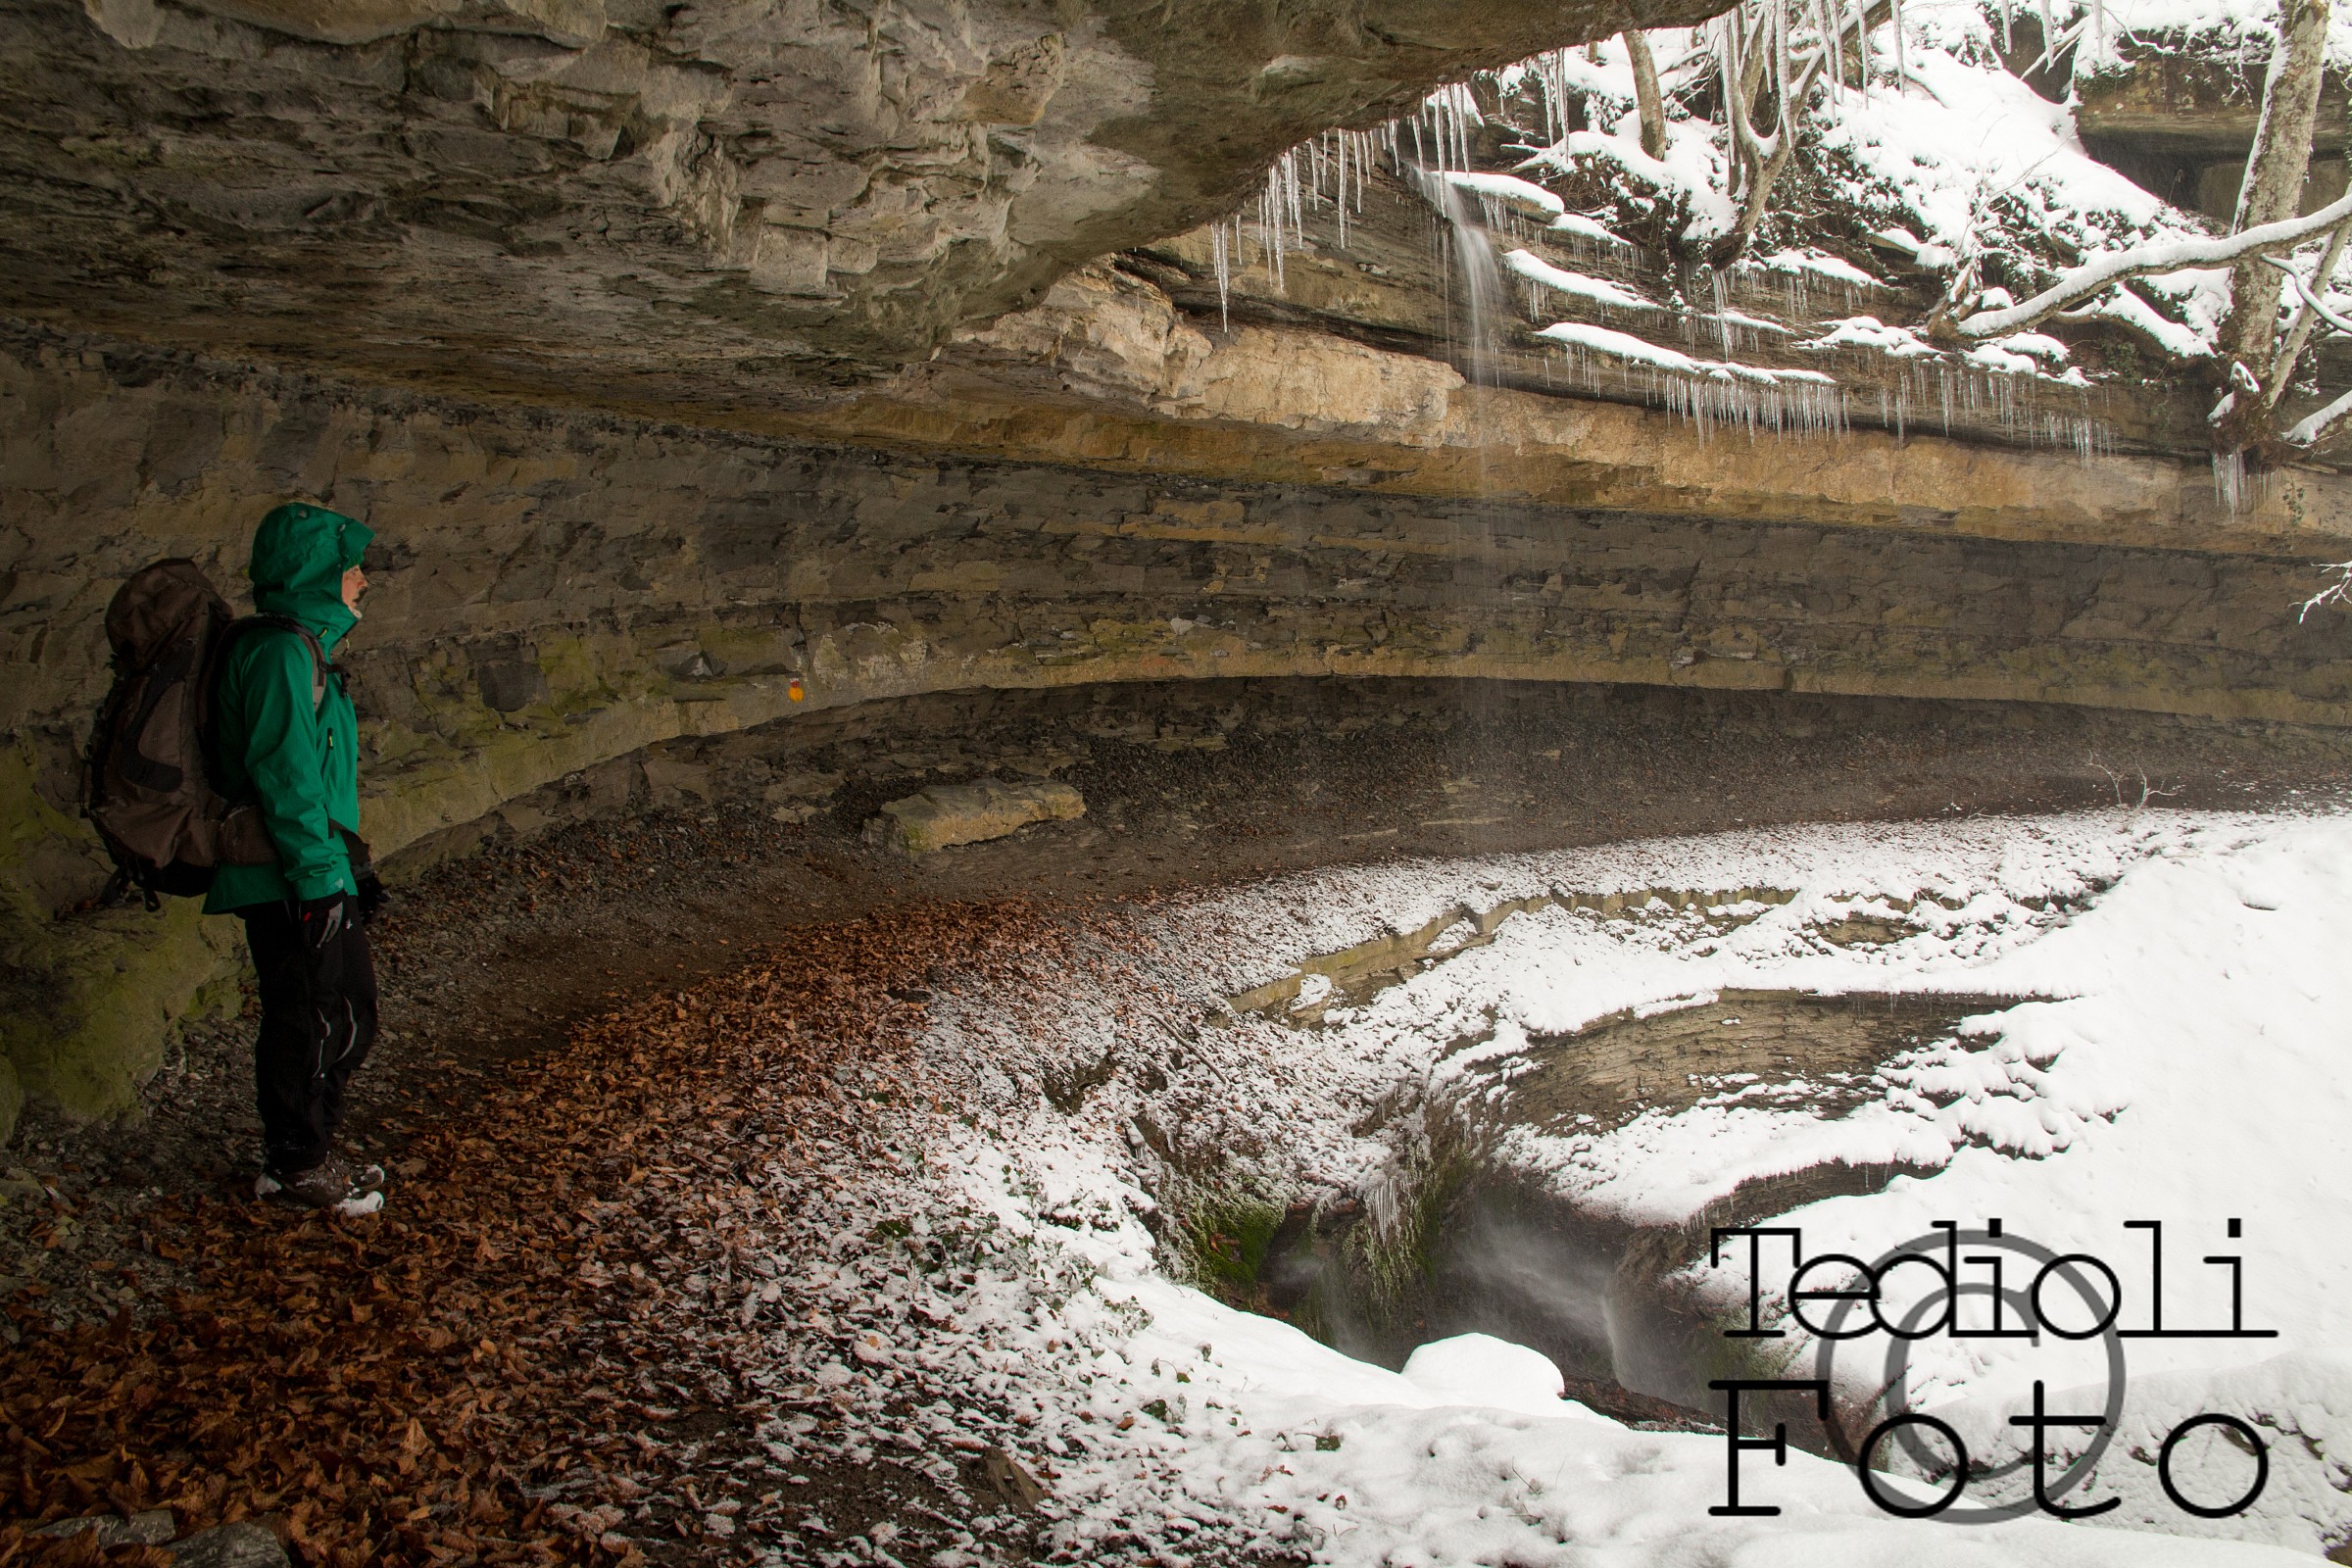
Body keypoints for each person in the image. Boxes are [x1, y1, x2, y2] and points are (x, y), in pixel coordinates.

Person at [205, 502, 390, 1213]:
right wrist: (321, 883)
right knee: (313, 1014)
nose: (363, 582)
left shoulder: (300, 647)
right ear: (315, 573)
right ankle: (295, 1166)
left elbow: (315, 779)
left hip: (308, 866)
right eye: (351, 568)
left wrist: (350, 868)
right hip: (285, 873)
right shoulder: (280, 653)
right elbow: (286, 778)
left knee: (343, 1009)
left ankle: (311, 1152)